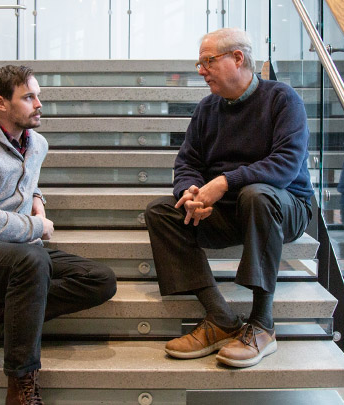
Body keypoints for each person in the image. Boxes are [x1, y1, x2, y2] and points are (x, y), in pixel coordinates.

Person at [0, 65, 117, 404]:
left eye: (39, 96)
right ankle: (20, 382)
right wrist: (40, 226)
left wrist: (37, 199)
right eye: (29, 97)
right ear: (1, 103)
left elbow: (23, 180)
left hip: (20, 253)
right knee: (33, 260)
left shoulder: (37, 143)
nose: (39, 104)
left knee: (101, 279)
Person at [144, 28, 313, 368]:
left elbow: (285, 166)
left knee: (258, 195)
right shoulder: (208, 109)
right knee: (161, 211)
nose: (201, 71)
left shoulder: (283, 99)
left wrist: (222, 182)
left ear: (238, 58)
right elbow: (188, 162)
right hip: (231, 211)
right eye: (199, 63)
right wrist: (190, 192)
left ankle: (263, 325)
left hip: (284, 206)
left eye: (207, 61)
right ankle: (220, 318)